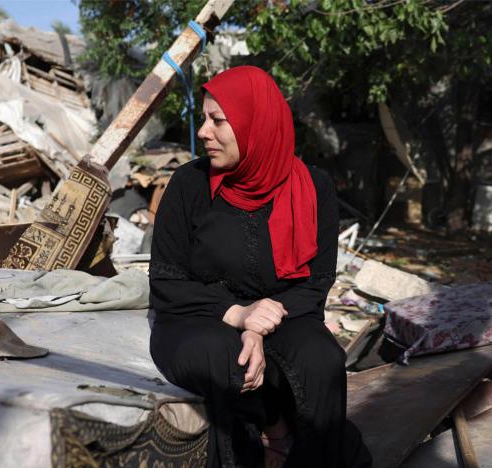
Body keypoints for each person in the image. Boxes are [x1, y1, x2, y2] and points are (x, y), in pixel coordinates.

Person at [149, 66, 371, 468]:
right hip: (197, 314)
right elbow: (166, 281)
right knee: (224, 355)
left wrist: (259, 323)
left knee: (323, 360)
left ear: (257, 125)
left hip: (283, 313)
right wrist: (238, 315)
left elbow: (316, 282)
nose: (203, 132)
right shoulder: (188, 185)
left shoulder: (314, 187)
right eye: (204, 119)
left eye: (217, 121)